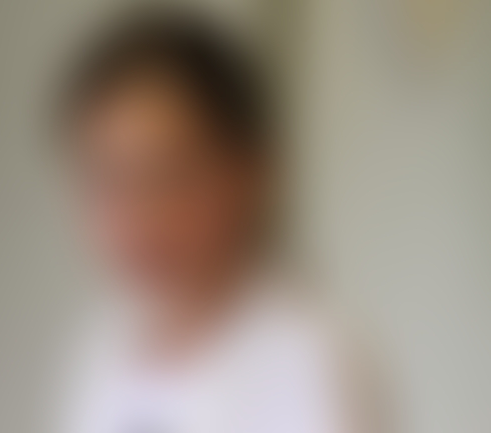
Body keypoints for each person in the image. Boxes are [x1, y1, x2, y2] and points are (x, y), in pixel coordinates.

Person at [49, 11, 376, 433]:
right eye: (109, 180)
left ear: (249, 173)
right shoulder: (102, 342)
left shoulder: (312, 361)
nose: (139, 214)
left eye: (169, 175)